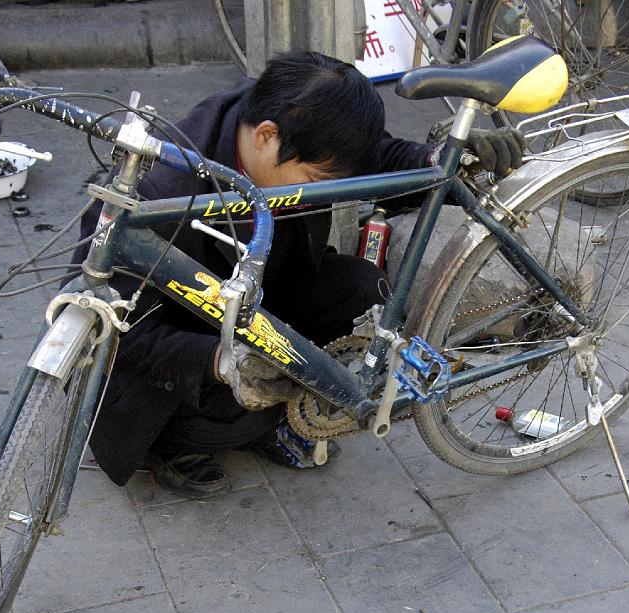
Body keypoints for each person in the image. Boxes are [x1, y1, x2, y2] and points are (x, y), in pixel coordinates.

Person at [73, 51, 524, 499]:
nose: (318, 190)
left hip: (264, 293)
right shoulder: (159, 192)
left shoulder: (296, 122)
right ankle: (169, 445)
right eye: (312, 177)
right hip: (179, 346)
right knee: (238, 411)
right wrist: (223, 362)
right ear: (268, 136)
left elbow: (377, 157)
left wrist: (440, 160)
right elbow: (106, 329)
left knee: (364, 294)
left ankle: (271, 408)